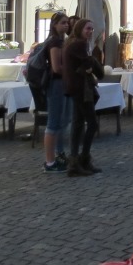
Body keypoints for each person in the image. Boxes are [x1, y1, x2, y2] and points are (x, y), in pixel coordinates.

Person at [62, 18, 104, 177]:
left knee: (78, 123)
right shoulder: (79, 44)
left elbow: (84, 66)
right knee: (92, 124)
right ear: (79, 29)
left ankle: (75, 161)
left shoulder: (72, 43)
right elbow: (88, 64)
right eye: (88, 28)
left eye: (92, 29)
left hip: (75, 87)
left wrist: (88, 67)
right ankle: (83, 158)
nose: (90, 31)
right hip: (80, 88)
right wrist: (92, 66)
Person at [42, 12, 71, 173]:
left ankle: (59, 155)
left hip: (62, 83)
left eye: (67, 23)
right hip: (56, 84)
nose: (66, 25)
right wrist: (73, 70)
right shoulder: (54, 42)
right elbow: (56, 67)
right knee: (53, 123)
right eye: (63, 23)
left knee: (62, 121)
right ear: (54, 25)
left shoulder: (61, 41)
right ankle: (50, 162)